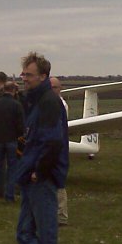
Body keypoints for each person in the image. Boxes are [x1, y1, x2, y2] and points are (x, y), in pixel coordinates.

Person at [13, 51, 70, 244]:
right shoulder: (37, 101)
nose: (24, 78)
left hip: (40, 178)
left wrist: (39, 171)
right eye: (23, 74)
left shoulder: (48, 102)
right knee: (24, 233)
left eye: (29, 75)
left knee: (44, 236)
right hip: (30, 175)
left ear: (43, 76)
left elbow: (53, 141)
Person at [0, 81, 25, 202]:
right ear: (13, 91)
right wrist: (17, 135)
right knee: (12, 168)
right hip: (12, 140)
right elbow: (21, 126)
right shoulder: (17, 105)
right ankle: (9, 195)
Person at [49, 76, 70, 226]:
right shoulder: (49, 102)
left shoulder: (60, 104)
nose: (51, 90)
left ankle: (62, 216)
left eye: (54, 88)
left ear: (60, 89)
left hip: (58, 148)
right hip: (51, 148)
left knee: (59, 182)